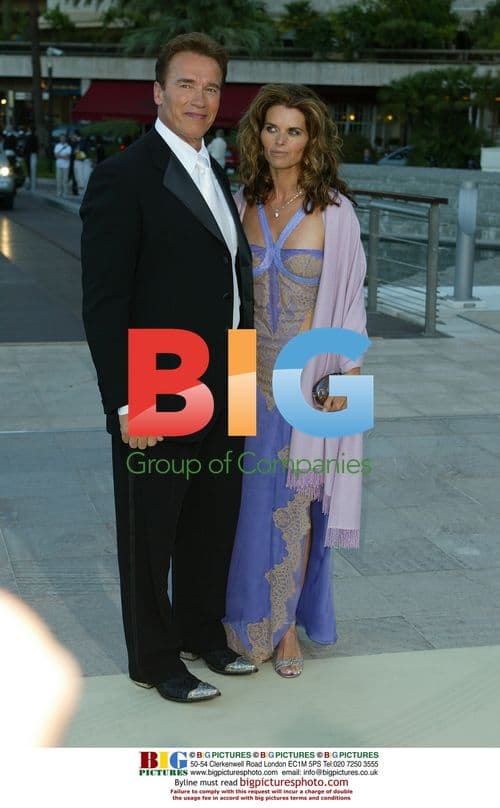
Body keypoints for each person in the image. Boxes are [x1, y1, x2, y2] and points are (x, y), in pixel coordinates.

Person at [81, 33, 256, 705]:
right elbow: (104, 304)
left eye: (211, 87)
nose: (199, 98)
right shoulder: (122, 177)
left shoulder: (217, 171)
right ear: (158, 92)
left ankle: (202, 632)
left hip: (230, 371)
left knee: (214, 514)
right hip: (160, 376)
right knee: (152, 525)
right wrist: (123, 402)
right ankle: (156, 659)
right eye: (186, 84)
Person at [224, 84, 367, 678]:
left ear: (313, 140)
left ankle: (284, 631)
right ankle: (234, 618)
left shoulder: (335, 211)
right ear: (257, 135)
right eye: (272, 129)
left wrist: (343, 389)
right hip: (239, 370)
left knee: (300, 503)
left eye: (295, 130)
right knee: (240, 504)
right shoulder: (240, 203)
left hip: (308, 378)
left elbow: (354, 300)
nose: (281, 141)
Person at [24, 126, 39, 191]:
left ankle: (32, 184)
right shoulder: (35, 137)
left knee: (30, 169)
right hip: (33, 154)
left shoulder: (29, 137)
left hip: (30, 155)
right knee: (32, 169)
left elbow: (27, 147)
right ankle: (33, 183)